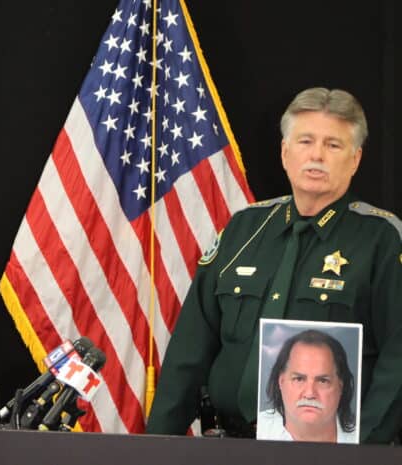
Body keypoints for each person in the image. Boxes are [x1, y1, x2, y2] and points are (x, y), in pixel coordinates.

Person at [146, 87, 402, 443]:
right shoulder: (243, 229)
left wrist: (361, 451)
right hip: (227, 446)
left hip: (326, 453)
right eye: (305, 141)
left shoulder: (383, 240)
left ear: (355, 159)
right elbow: (190, 349)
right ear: (284, 152)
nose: (316, 155)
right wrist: (156, 446)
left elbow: (397, 361)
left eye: (333, 145)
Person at [257, 329, 356, 443]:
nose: (309, 394)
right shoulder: (259, 430)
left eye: (322, 381)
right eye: (299, 379)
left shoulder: (359, 438)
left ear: (341, 386)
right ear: (281, 381)